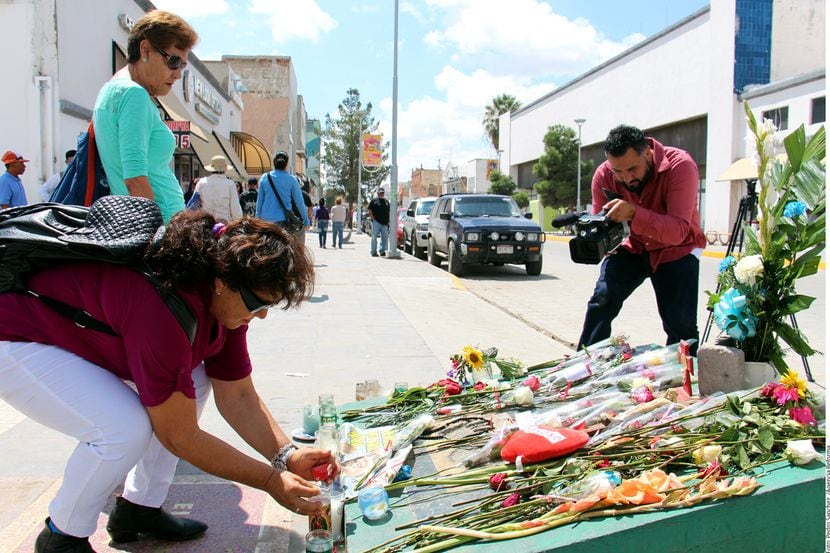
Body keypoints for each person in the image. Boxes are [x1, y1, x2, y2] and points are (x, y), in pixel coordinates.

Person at [0, 210, 338, 553]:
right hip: (15, 338)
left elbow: (237, 394)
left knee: (194, 379)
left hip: (74, 334)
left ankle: (138, 510)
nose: (262, 314)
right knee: (121, 429)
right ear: (222, 282)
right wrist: (270, 481)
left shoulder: (226, 299)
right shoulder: (163, 306)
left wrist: (285, 457)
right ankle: (62, 537)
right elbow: (180, 436)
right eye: (257, 303)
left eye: (271, 304)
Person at [577, 124, 706, 354]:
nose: (626, 178)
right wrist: (593, 235)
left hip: (676, 250)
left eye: (632, 169)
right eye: (618, 171)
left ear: (647, 152)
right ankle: (583, 367)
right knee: (602, 301)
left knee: (681, 326)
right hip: (633, 247)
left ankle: (683, 380)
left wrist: (634, 212)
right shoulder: (604, 175)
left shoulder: (680, 166)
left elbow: (678, 231)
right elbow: (602, 228)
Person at [93, 10, 198, 223]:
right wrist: (156, 236)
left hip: (137, 224)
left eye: (183, 65)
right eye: (174, 61)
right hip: (158, 228)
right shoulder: (134, 94)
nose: (178, 74)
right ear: (145, 49)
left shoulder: (114, 89)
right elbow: (135, 180)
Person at [256, 151, 311, 241]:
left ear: (274, 163)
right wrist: (306, 220)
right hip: (283, 222)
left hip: (265, 222)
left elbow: (259, 202)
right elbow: (300, 202)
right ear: (286, 164)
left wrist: (257, 219)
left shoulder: (264, 177)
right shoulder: (292, 179)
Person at [193, 155, 243, 222]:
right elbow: (235, 207)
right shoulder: (230, 184)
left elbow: (195, 202)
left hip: (205, 221)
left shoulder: (201, 182)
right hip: (224, 223)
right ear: (225, 169)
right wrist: (238, 221)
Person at [367, 188, 390, 256]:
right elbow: (370, 210)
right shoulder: (374, 201)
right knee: (374, 237)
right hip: (376, 222)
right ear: (378, 193)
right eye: (380, 193)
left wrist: (389, 221)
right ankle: (373, 251)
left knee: (384, 238)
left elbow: (389, 212)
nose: (381, 194)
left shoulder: (386, 202)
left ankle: (382, 251)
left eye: (382, 193)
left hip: (385, 223)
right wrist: (373, 218)